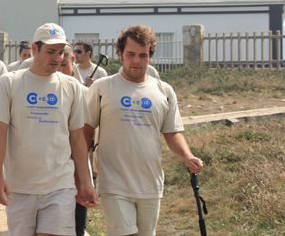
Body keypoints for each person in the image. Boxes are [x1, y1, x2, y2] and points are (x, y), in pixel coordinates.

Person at [84, 25, 204, 236]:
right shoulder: (103, 88)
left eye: (143, 55)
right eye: (130, 54)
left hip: (150, 183)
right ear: (120, 54)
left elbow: (172, 132)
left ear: (150, 56)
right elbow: (85, 131)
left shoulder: (164, 91)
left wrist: (187, 155)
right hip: (113, 183)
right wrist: (83, 174)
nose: (136, 61)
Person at [0, 23, 98, 236]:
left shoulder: (72, 87)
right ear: (34, 49)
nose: (57, 58)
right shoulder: (10, 83)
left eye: (60, 52)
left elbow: (77, 138)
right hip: (20, 187)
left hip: (59, 186)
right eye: (50, 52)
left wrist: (85, 182)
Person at [58, 44, 88, 236]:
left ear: (73, 62)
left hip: (77, 162)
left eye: (64, 64)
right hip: (55, 166)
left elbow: (86, 135)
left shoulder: (83, 92)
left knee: (77, 215)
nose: (60, 69)